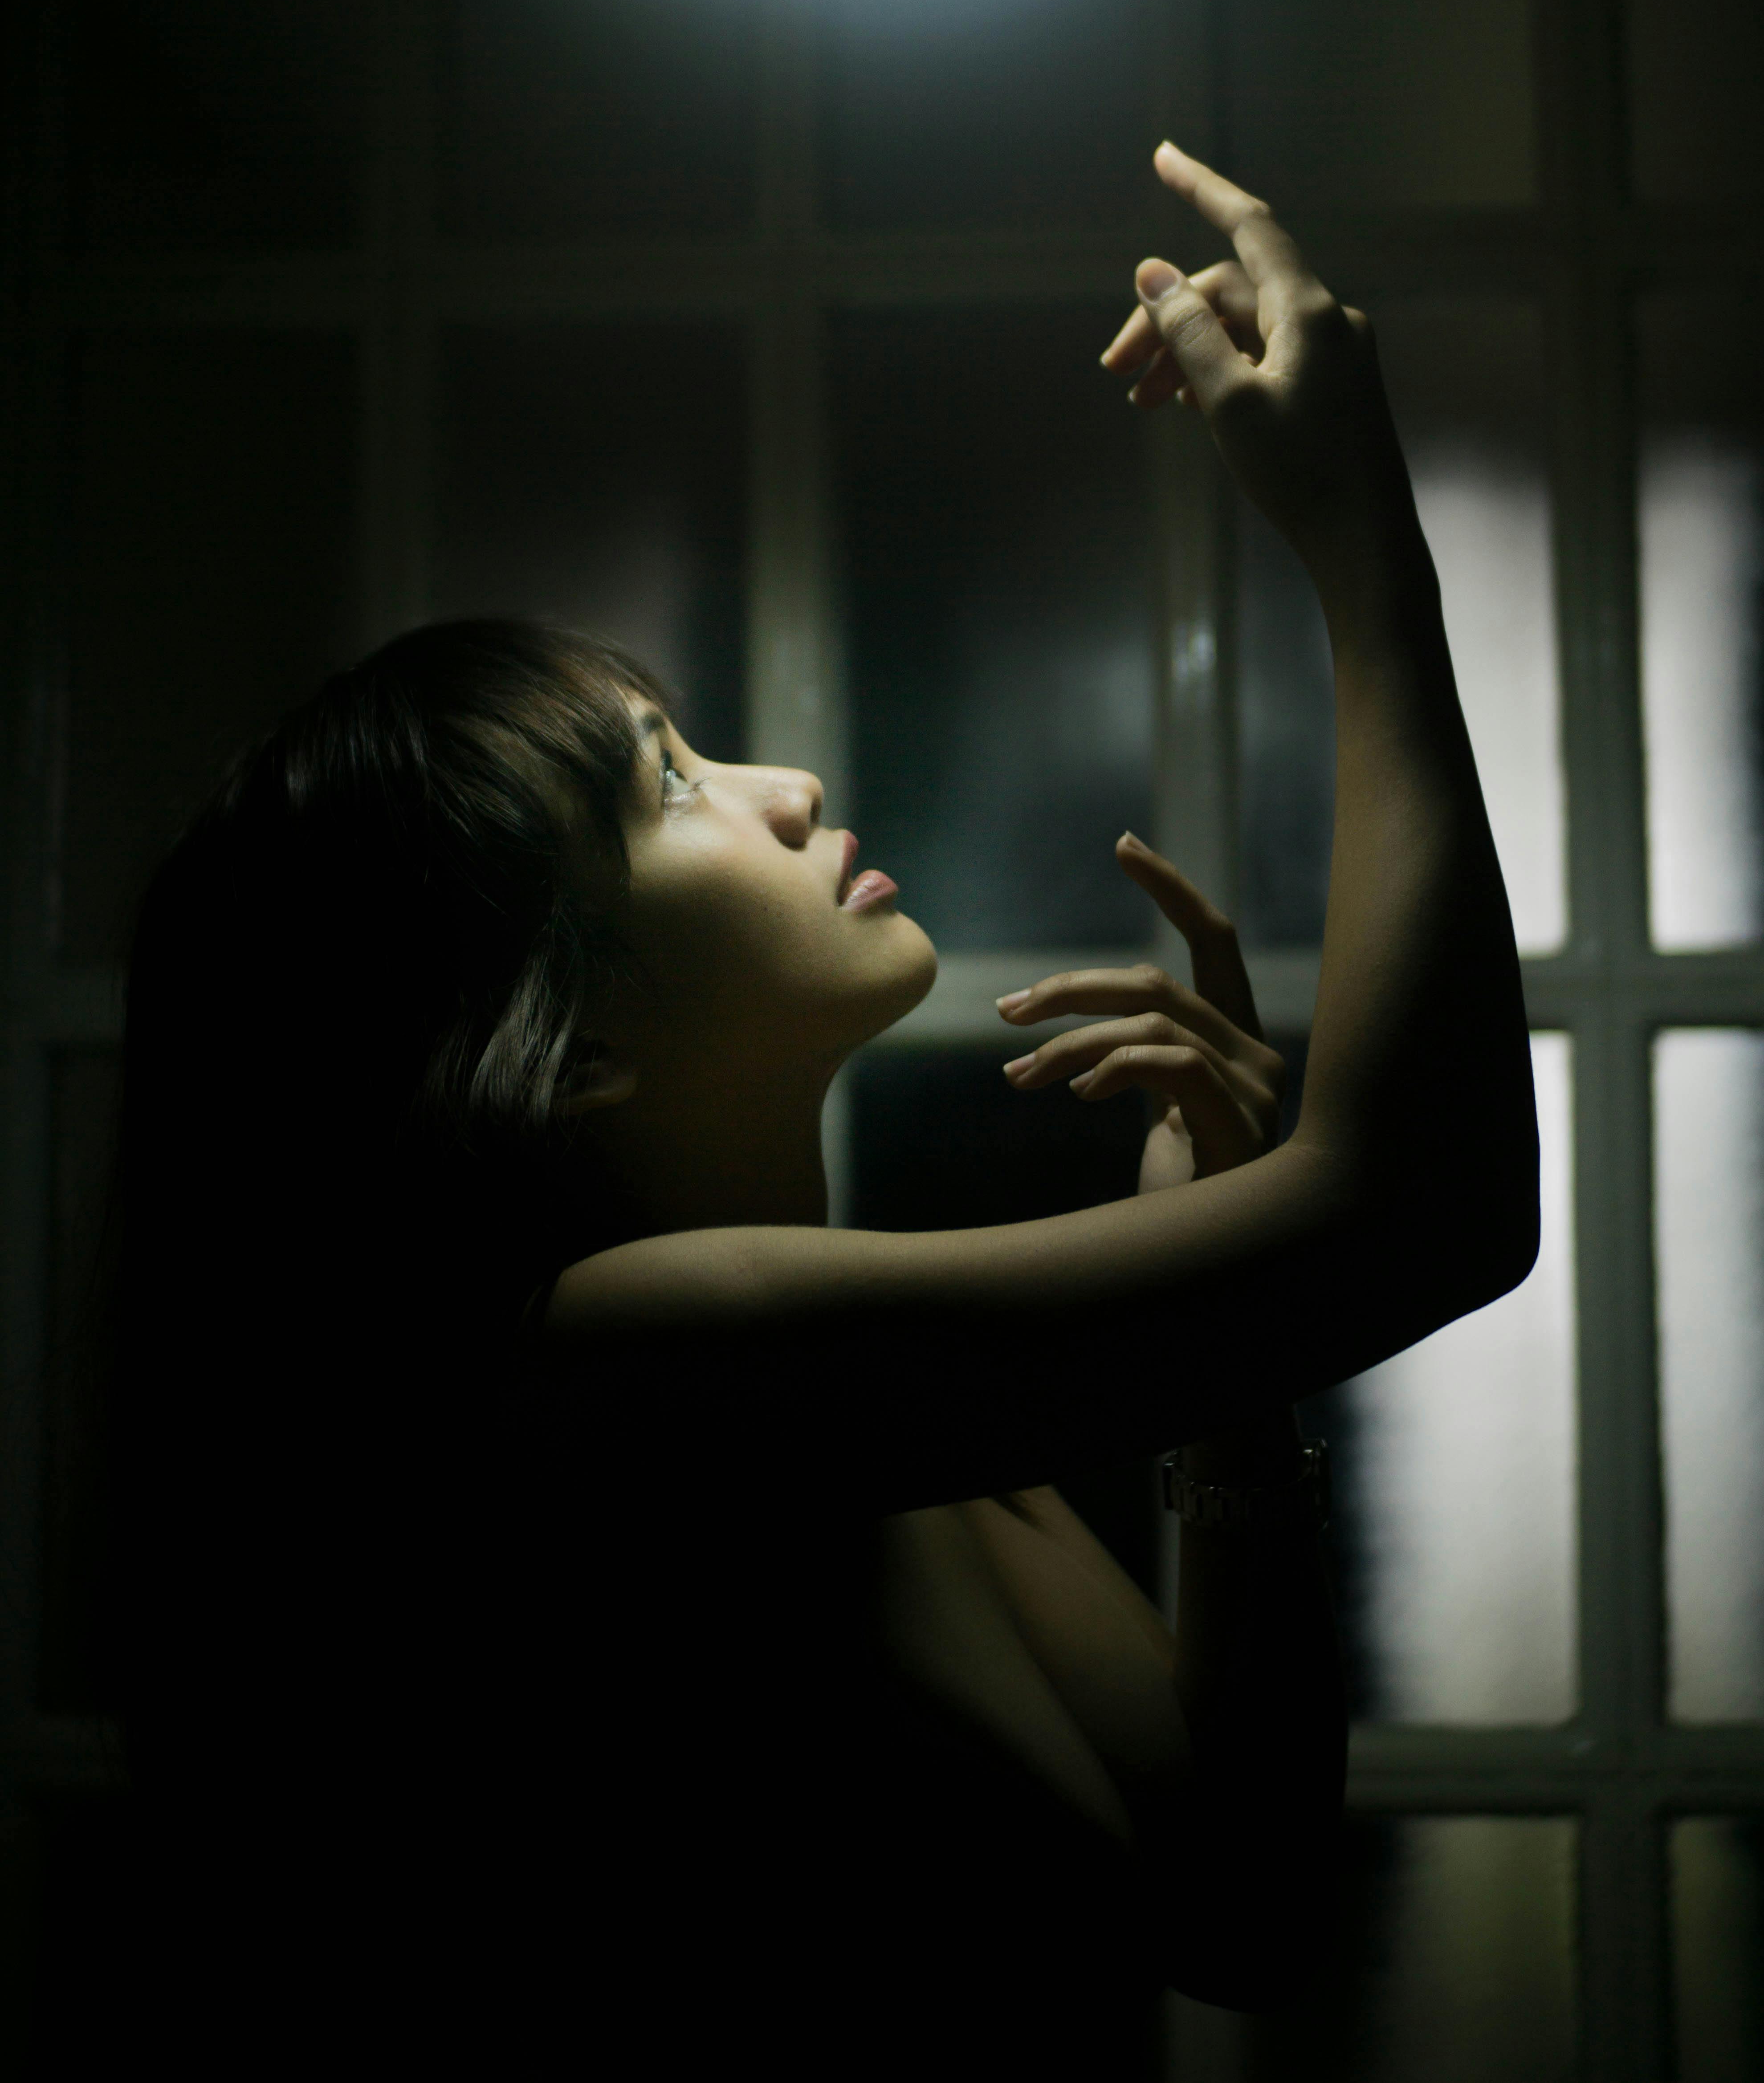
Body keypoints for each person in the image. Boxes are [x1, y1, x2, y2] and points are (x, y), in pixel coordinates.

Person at [102, 143, 1537, 2078]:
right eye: (668, 783)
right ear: (569, 1041)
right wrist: (1363, 551)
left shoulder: (901, 1426)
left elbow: (1247, 1906)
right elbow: (1434, 1208)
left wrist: (1233, 1377)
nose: (781, 785)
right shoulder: (611, 1367)